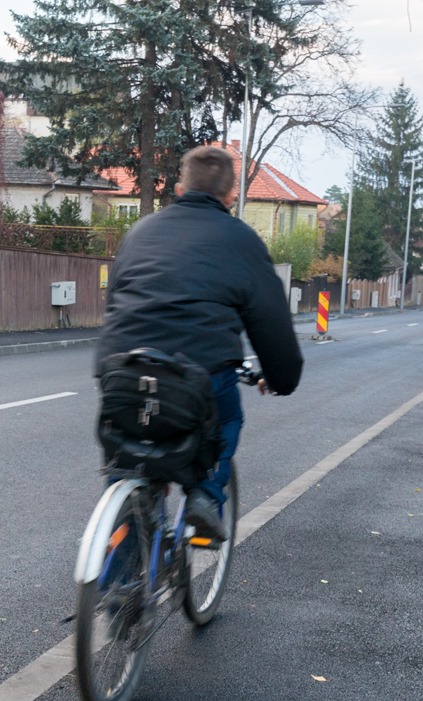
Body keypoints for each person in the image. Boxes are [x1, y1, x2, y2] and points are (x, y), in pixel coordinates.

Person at [95, 144, 303, 539]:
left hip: (121, 367)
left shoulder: (141, 230)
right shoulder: (242, 241)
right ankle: (205, 497)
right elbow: (271, 322)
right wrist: (280, 379)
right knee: (227, 419)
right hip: (199, 374)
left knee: (126, 454)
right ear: (229, 196)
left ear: (178, 188)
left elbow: (116, 300)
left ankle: (116, 589)